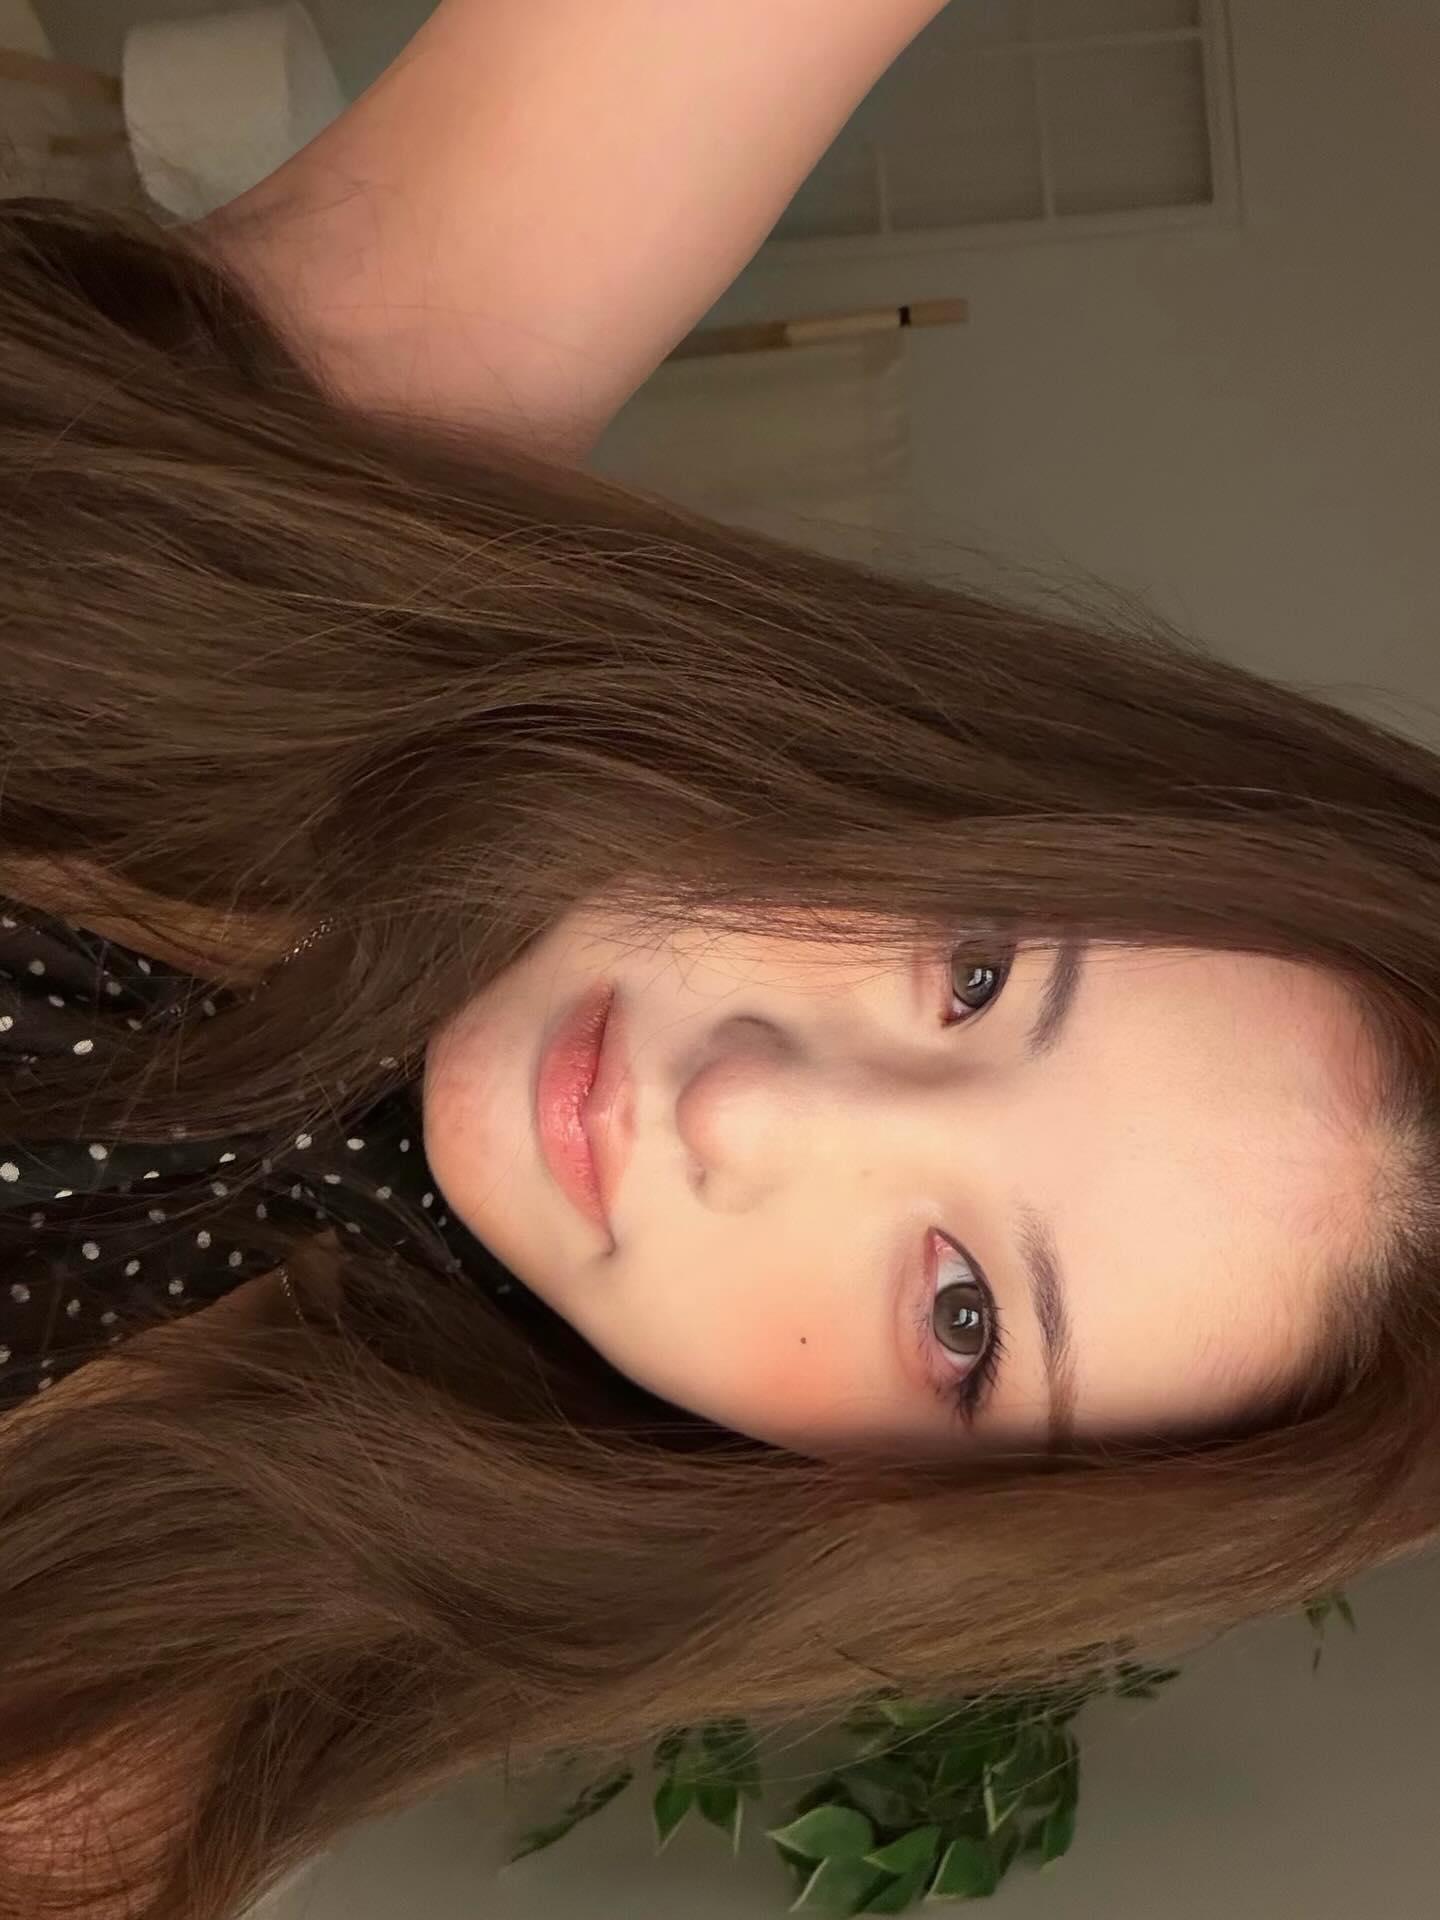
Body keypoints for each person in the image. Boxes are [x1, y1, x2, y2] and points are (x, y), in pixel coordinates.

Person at [2, 3, 1440, 1916]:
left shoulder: (103, 1724)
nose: (751, 1106)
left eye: (961, 1316)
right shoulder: (294, 513)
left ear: (904, 1502)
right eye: (976, 972)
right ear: (955, 785)